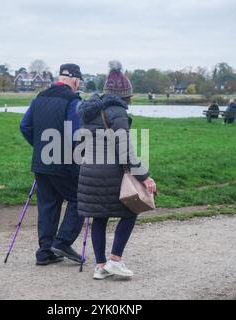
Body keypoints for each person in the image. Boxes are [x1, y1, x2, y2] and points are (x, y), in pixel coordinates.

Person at [77, 61, 157, 280]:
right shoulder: (117, 112)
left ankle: (101, 266)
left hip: (88, 173)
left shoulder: (88, 110)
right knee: (131, 212)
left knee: (99, 218)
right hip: (110, 174)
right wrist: (145, 176)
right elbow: (126, 151)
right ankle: (115, 260)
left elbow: (79, 146)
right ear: (125, 95)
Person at [20, 63, 85, 266]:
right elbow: (76, 134)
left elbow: (25, 126)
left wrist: (41, 146)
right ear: (74, 80)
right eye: (79, 82)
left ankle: (44, 252)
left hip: (41, 161)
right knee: (80, 199)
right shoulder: (73, 100)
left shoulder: (39, 97)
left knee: (47, 205)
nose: (78, 86)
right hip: (63, 162)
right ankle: (62, 242)